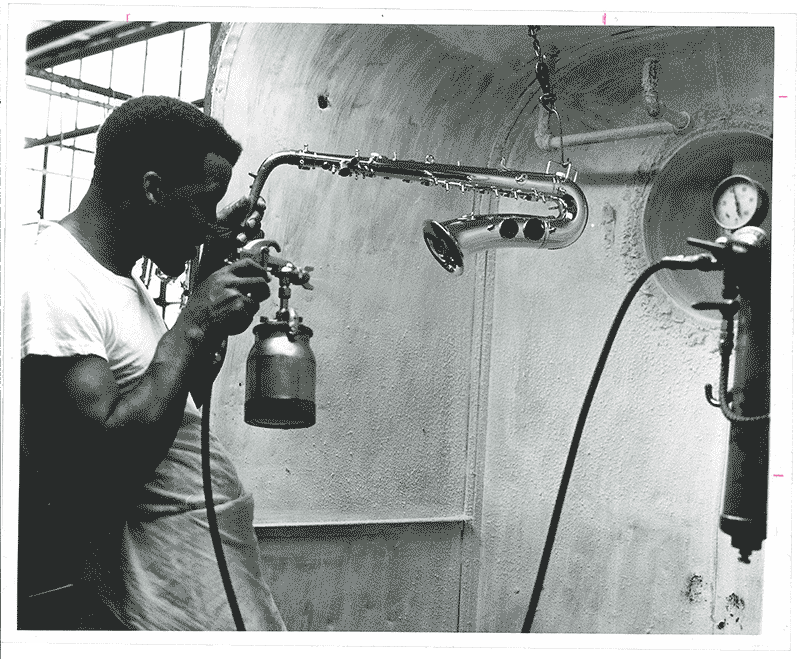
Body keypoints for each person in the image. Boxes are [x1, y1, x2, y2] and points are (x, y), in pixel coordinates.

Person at [18, 95, 287, 631]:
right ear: (152, 188)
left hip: (200, 557)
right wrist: (191, 321)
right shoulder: (53, 274)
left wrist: (210, 307)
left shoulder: (120, 280)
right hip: (154, 586)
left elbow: (170, 404)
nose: (208, 223)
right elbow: (99, 465)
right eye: (205, 203)